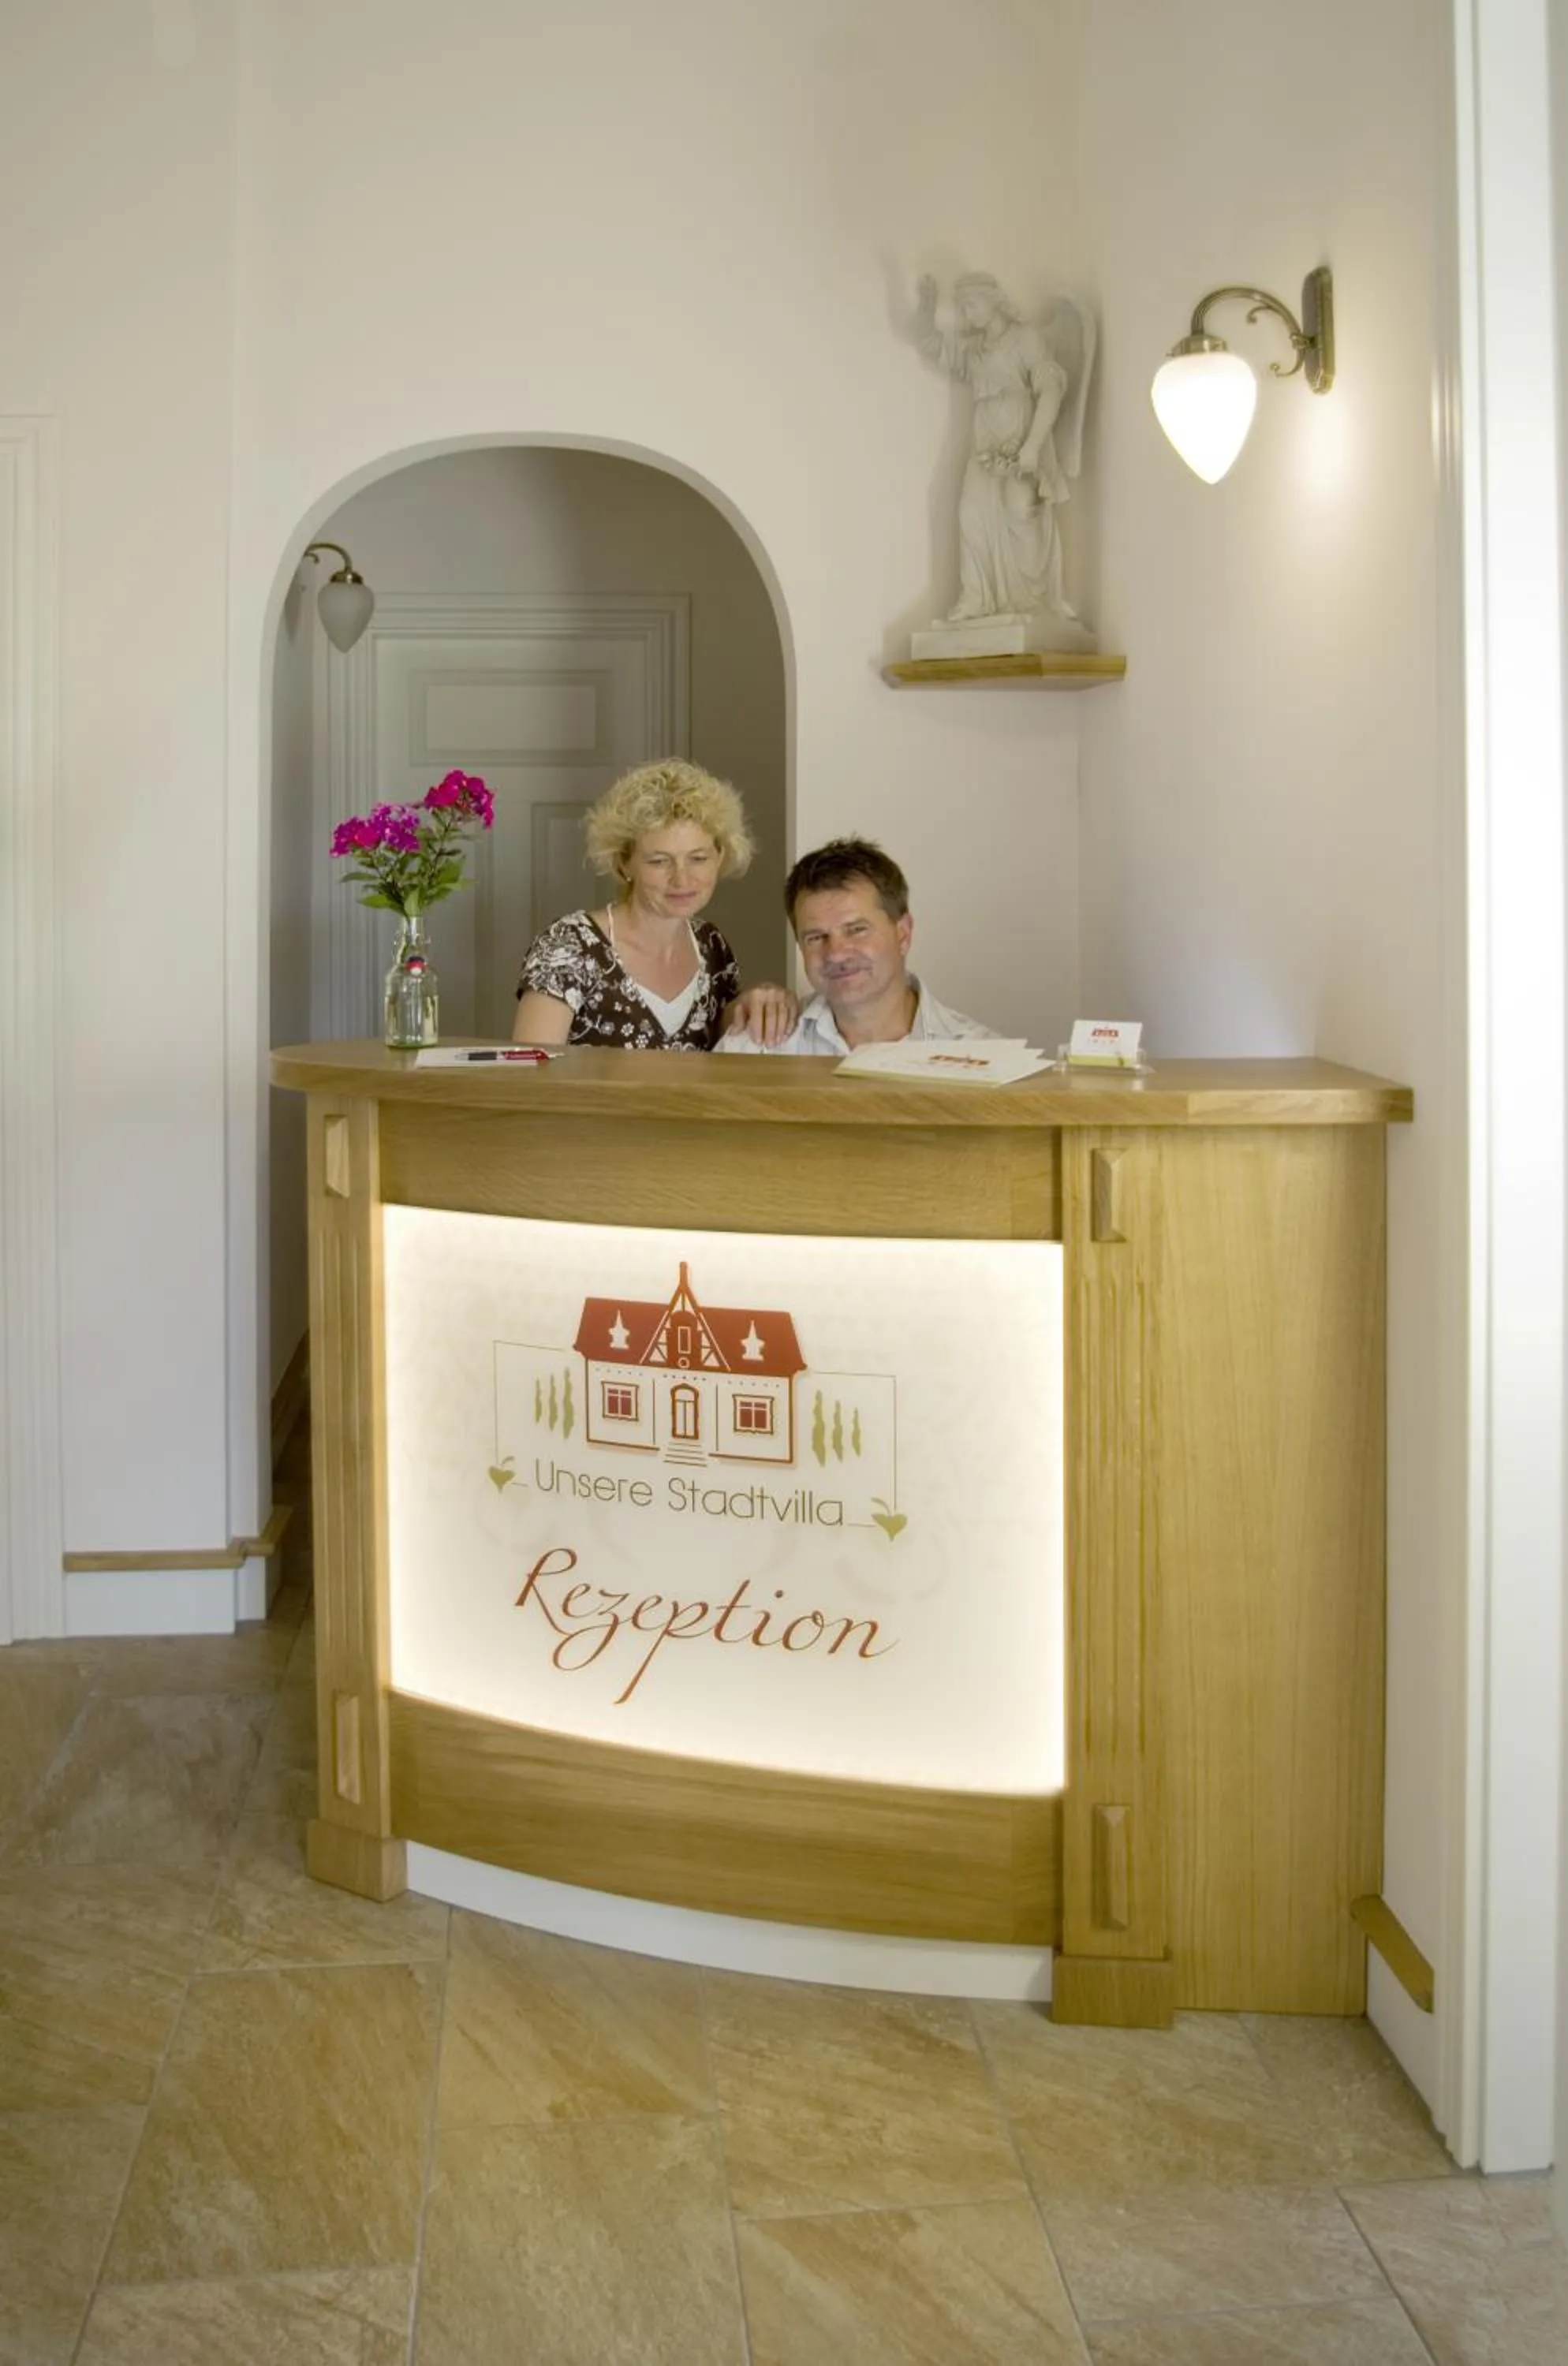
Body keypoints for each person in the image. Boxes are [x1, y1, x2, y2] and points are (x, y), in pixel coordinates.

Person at [513, 760, 793, 1050]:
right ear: (624, 863)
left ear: (720, 856)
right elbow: (532, 1078)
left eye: (698, 858)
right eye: (659, 861)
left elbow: (727, 1052)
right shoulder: (567, 945)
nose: (682, 879)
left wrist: (760, 1000)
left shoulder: (712, 946)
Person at [912, 271, 1088, 626]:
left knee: (1022, 514)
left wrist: (1033, 447)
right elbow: (934, 346)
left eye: (971, 305)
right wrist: (927, 312)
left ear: (993, 300)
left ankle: (1032, 602)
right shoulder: (975, 350)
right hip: (984, 446)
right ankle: (976, 599)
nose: (967, 314)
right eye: (962, 307)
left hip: (1022, 441)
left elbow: (1051, 391)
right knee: (971, 515)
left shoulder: (1027, 341)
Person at [718, 837, 993, 1056]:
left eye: (857, 930)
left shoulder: (985, 1059)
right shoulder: (755, 1049)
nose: (836, 953)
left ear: (903, 934)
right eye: (816, 937)